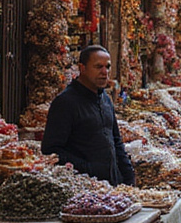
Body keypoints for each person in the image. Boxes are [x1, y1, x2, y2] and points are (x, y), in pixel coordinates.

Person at [42, 45, 135, 185]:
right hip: (85, 188)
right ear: (82, 68)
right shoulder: (66, 102)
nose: (105, 72)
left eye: (107, 67)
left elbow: (116, 140)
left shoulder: (105, 99)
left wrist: (128, 177)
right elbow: (51, 150)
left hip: (112, 187)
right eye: (98, 67)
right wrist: (88, 169)